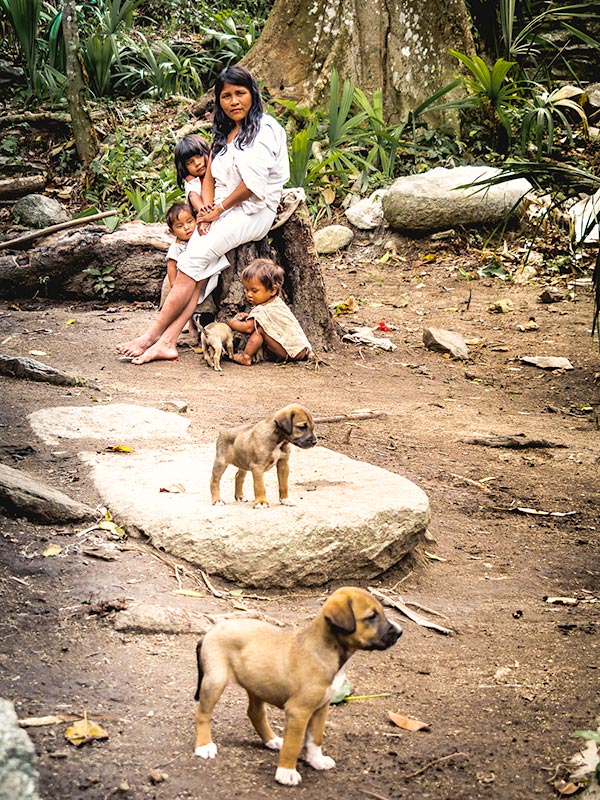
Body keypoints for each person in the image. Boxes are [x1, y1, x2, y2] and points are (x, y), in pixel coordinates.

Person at [117, 65, 289, 364]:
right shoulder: (225, 130)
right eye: (226, 96)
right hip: (222, 207)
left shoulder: (266, 130)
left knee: (191, 263)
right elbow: (209, 175)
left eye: (240, 93)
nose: (234, 101)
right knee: (195, 272)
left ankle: (151, 336)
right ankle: (168, 342)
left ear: (253, 94)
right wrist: (207, 210)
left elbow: (252, 186)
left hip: (252, 210)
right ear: (218, 100)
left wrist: (217, 211)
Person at [226, 258, 313, 366]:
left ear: (273, 290)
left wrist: (231, 323)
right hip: (302, 349)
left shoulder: (262, 309)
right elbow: (269, 321)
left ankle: (246, 357)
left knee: (260, 330)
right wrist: (250, 316)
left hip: (289, 352)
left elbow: (248, 328)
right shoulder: (277, 304)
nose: (249, 294)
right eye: (246, 290)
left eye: (254, 291)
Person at [174, 134, 210, 217]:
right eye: (190, 162)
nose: (197, 163)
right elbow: (193, 195)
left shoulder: (217, 170)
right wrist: (202, 209)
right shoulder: (192, 181)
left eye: (199, 156)